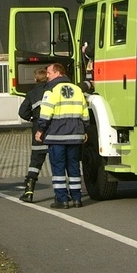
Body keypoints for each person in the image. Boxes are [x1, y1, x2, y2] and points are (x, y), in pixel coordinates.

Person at [35, 62, 90, 209]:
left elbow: (46, 113)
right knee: (74, 168)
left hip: (57, 135)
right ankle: (77, 199)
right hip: (75, 136)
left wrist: (40, 130)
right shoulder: (77, 89)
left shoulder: (51, 90)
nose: (47, 76)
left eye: (49, 73)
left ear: (58, 73)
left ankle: (62, 199)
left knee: (58, 169)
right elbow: (85, 112)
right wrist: (85, 130)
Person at [17, 67, 49, 202]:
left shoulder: (31, 94)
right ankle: (65, 193)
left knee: (35, 163)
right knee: (59, 163)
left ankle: (29, 192)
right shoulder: (52, 91)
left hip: (38, 133)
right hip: (54, 130)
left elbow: (22, 112)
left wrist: (32, 118)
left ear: (35, 79)